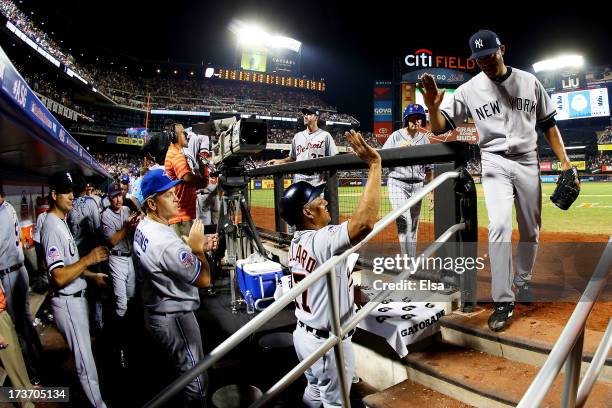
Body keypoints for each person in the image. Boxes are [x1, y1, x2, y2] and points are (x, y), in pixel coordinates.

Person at [418, 29, 576, 331]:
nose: (485, 62)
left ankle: (523, 281)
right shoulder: (468, 89)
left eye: (489, 55)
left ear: (501, 49)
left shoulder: (530, 82)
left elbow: (549, 126)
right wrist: (433, 106)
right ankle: (503, 299)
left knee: (531, 229)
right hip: (493, 161)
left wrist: (566, 165)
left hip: (528, 159)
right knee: (500, 225)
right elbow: (439, 128)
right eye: (479, 59)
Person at [279, 130, 381, 407]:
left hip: (304, 335)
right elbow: (363, 224)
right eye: (316, 199)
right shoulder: (321, 240)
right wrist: (374, 165)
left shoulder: (296, 242)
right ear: (306, 213)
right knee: (337, 403)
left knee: (314, 391)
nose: (324, 201)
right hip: (327, 345)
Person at [133, 168, 218, 407]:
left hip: (156, 310)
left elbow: (168, 260)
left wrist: (192, 248)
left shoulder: (144, 226)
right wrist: (198, 251)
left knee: (176, 375)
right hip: (175, 318)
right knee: (196, 382)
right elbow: (204, 280)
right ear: (152, 203)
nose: (177, 197)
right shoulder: (165, 241)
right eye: (169, 195)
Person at [40, 171, 110, 408]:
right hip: (68, 301)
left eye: (72, 190)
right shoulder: (51, 225)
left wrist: (91, 276)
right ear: (54, 195)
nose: (72, 196)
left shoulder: (61, 220)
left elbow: (70, 266)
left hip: (76, 296)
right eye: (66, 191)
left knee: (86, 358)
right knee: (85, 363)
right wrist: (89, 259)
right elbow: (58, 276)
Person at [0, 191, 44, 384]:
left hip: (10, 274)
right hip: (18, 270)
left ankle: (33, 371)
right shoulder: (8, 206)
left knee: (19, 326)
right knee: (26, 321)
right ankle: (40, 362)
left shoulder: (2, 212)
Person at [382, 103, 434, 258]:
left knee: (414, 226)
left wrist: (431, 193)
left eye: (419, 118)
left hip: (418, 185)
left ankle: (410, 260)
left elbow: (429, 169)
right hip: (398, 182)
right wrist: (398, 150)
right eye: (412, 118)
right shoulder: (396, 136)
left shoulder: (425, 140)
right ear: (406, 119)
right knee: (405, 221)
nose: (415, 121)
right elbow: (381, 158)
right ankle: (407, 260)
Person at [100, 183, 139, 369]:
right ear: (109, 197)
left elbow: (136, 227)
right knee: (121, 303)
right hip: (115, 259)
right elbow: (113, 240)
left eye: (120, 195)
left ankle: (129, 336)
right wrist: (127, 226)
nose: (117, 199)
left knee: (131, 298)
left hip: (129, 257)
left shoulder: (126, 208)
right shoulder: (105, 215)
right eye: (114, 196)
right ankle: (120, 345)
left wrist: (136, 221)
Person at [266, 106, 338, 186]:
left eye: (309, 114)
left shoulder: (325, 135)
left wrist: (326, 173)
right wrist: (279, 161)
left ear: (316, 118)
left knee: (316, 199)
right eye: (304, 114)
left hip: (317, 178)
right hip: (298, 177)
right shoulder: (297, 136)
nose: (305, 116)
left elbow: (333, 158)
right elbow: (293, 158)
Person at [164, 122, 207, 237]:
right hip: (181, 216)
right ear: (175, 136)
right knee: (187, 252)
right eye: (183, 133)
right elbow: (187, 177)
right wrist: (203, 181)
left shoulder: (173, 152)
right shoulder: (176, 154)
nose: (187, 135)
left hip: (180, 215)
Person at [0, 285, 35, 408]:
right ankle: (25, 403)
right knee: (12, 363)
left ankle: (29, 391)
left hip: (3, 313)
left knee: (17, 358)